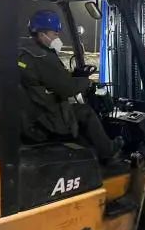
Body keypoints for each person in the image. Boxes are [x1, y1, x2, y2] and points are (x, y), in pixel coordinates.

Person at [18, 9, 122, 163]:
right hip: (46, 119)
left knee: (74, 111)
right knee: (85, 112)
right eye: (55, 34)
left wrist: (75, 76)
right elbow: (67, 88)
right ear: (41, 34)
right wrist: (86, 82)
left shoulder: (23, 52)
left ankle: (86, 149)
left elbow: (52, 81)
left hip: (31, 115)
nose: (57, 38)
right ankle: (108, 151)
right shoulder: (42, 57)